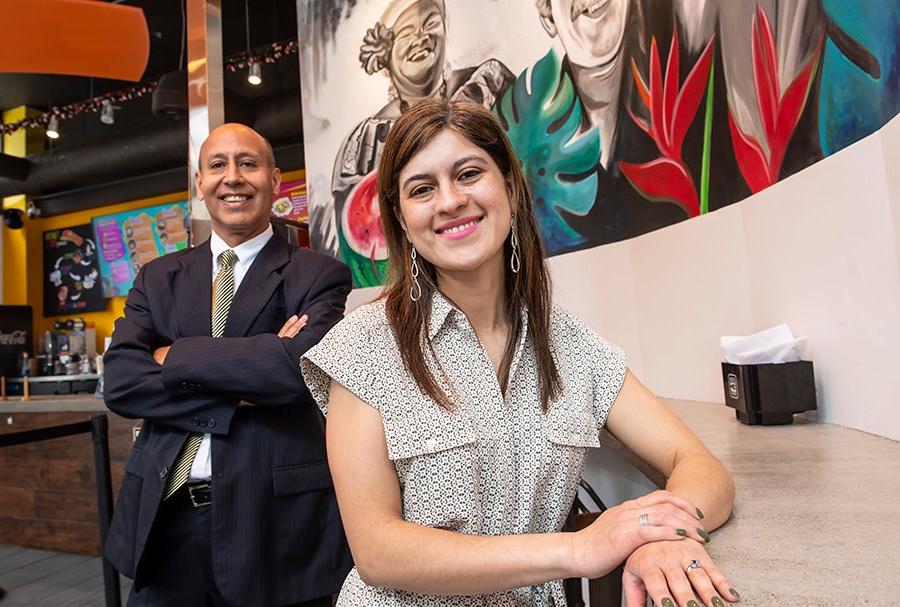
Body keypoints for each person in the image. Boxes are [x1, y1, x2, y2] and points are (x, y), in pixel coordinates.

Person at [301, 99, 737, 607]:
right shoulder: (363, 347)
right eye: (422, 189)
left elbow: (701, 467)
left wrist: (661, 534)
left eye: (468, 173)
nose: (449, 201)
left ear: (508, 185)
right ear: (401, 218)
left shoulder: (569, 346)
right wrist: (578, 549)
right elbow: (377, 550)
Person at [102, 123, 353, 606]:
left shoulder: (317, 274)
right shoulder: (156, 277)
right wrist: (255, 363)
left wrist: (172, 356)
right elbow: (121, 383)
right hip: (164, 521)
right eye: (217, 165)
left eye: (248, 164)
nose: (232, 177)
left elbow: (295, 373)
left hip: (273, 526)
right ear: (199, 184)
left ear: (275, 181)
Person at [314, 0, 514, 286]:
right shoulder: (363, 144)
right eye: (406, 31)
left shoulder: (490, 86)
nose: (450, 202)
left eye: (431, 23)